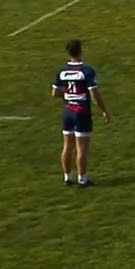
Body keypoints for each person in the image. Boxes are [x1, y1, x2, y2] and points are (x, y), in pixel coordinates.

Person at [51, 39, 111, 187]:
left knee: (67, 146)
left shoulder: (62, 71)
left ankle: (67, 177)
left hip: (68, 111)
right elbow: (94, 95)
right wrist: (104, 111)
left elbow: (54, 93)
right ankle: (82, 179)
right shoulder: (86, 71)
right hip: (82, 112)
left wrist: (69, 93)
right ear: (80, 51)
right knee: (81, 148)